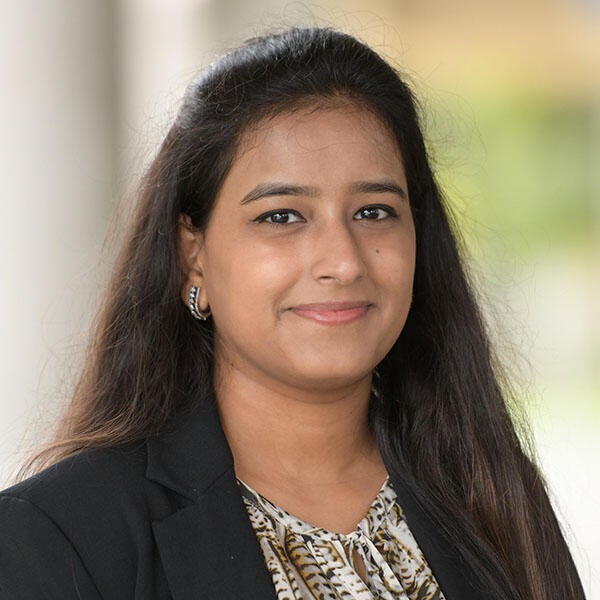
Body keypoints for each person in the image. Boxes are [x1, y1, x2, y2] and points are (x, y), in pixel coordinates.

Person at [0, 27, 585, 600]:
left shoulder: (493, 495)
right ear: (193, 255)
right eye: (282, 216)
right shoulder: (62, 537)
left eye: (375, 211)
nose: (343, 261)